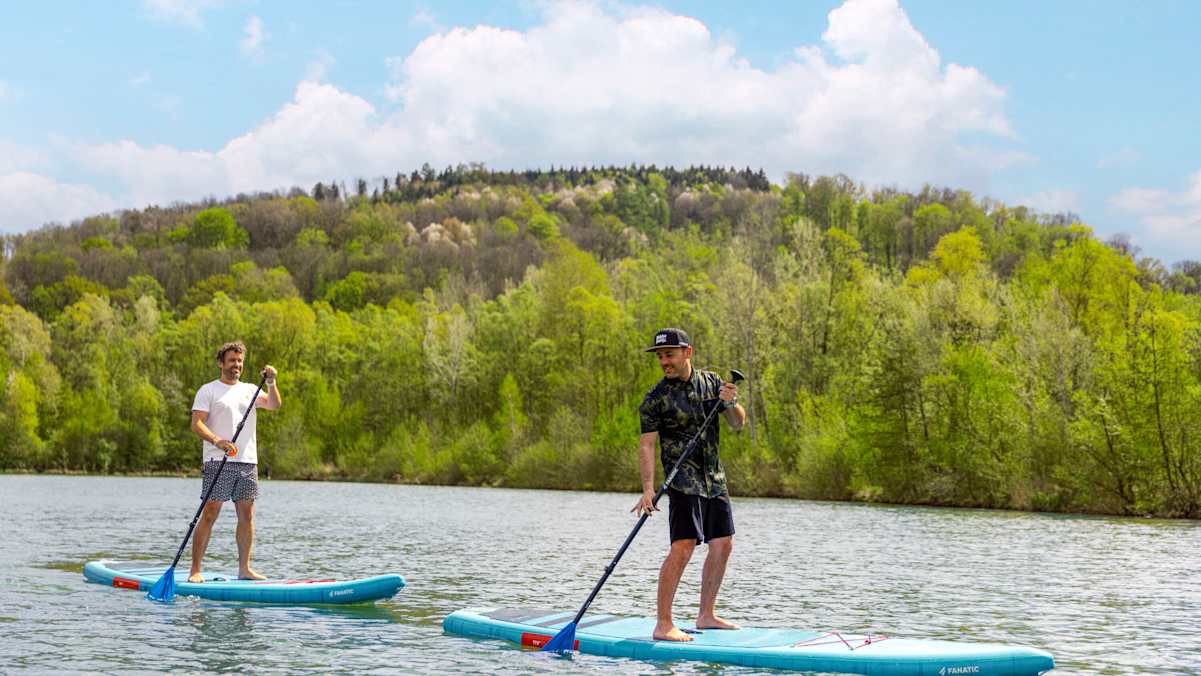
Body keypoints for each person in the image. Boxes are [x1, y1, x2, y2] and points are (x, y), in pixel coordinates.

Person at [632, 327, 746, 642]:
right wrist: (648, 489)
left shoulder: (713, 383)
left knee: (723, 544)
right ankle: (663, 624)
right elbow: (647, 445)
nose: (664, 361)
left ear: (687, 352)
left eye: (669, 354)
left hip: (714, 479)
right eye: (660, 357)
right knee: (682, 548)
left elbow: (738, 424)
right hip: (681, 481)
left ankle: (706, 615)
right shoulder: (655, 398)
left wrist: (730, 402)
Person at [188, 341, 282, 582]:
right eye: (232, 361)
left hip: (247, 461)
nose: (236, 365)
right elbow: (196, 423)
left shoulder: (251, 389)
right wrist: (217, 440)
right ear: (221, 363)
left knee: (247, 516)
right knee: (210, 513)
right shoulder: (208, 390)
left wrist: (271, 382)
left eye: (240, 361)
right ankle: (195, 570)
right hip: (217, 460)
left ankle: (244, 569)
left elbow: (274, 405)